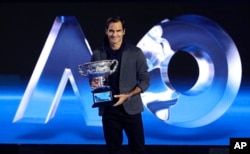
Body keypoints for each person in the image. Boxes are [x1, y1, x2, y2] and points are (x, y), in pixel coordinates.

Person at [90, 16, 150, 154]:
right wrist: (94, 83)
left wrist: (128, 95)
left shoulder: (135, 52)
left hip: (131, 108)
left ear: (124, 31)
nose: (114, 34)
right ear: (106, 31)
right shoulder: (98, 54)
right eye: (111, 31)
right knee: (113, 150)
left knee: (138, 149)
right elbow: (93, 81)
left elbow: (145, 80)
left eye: (118, 31)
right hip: (109, 109)